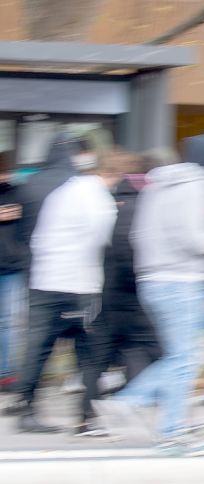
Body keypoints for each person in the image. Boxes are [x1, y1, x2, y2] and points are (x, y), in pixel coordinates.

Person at [94, 134, 204, 455]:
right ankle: (154, 419)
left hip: (153, 280)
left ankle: (151, 417)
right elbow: (195, 239)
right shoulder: (199, 183)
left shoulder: (158, 183)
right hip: (183, 280)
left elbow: (138, 234)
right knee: (185, 358)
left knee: (178, 357)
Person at [4, 140, 118, 433]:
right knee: (88, 351)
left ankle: (25, 408)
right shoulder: (91, 193)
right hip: (78, 284)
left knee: (38, 347)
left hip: (42, 278)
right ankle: (86, 417)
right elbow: (100, 239)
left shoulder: (46, 188)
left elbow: (34, 235)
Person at [76, 151, 164, 437]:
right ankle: (138, 406)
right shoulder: (143, 207)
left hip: (106, 294)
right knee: (160, 352)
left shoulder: (111, 201)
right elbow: (134, 254)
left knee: (98, 357)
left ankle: (86, 418)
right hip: (132, 295)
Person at [0, 151, 27, 393]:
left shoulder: (18, 192)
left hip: (11, 267)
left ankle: (5, 373)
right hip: (10, 266)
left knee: (8, 323)